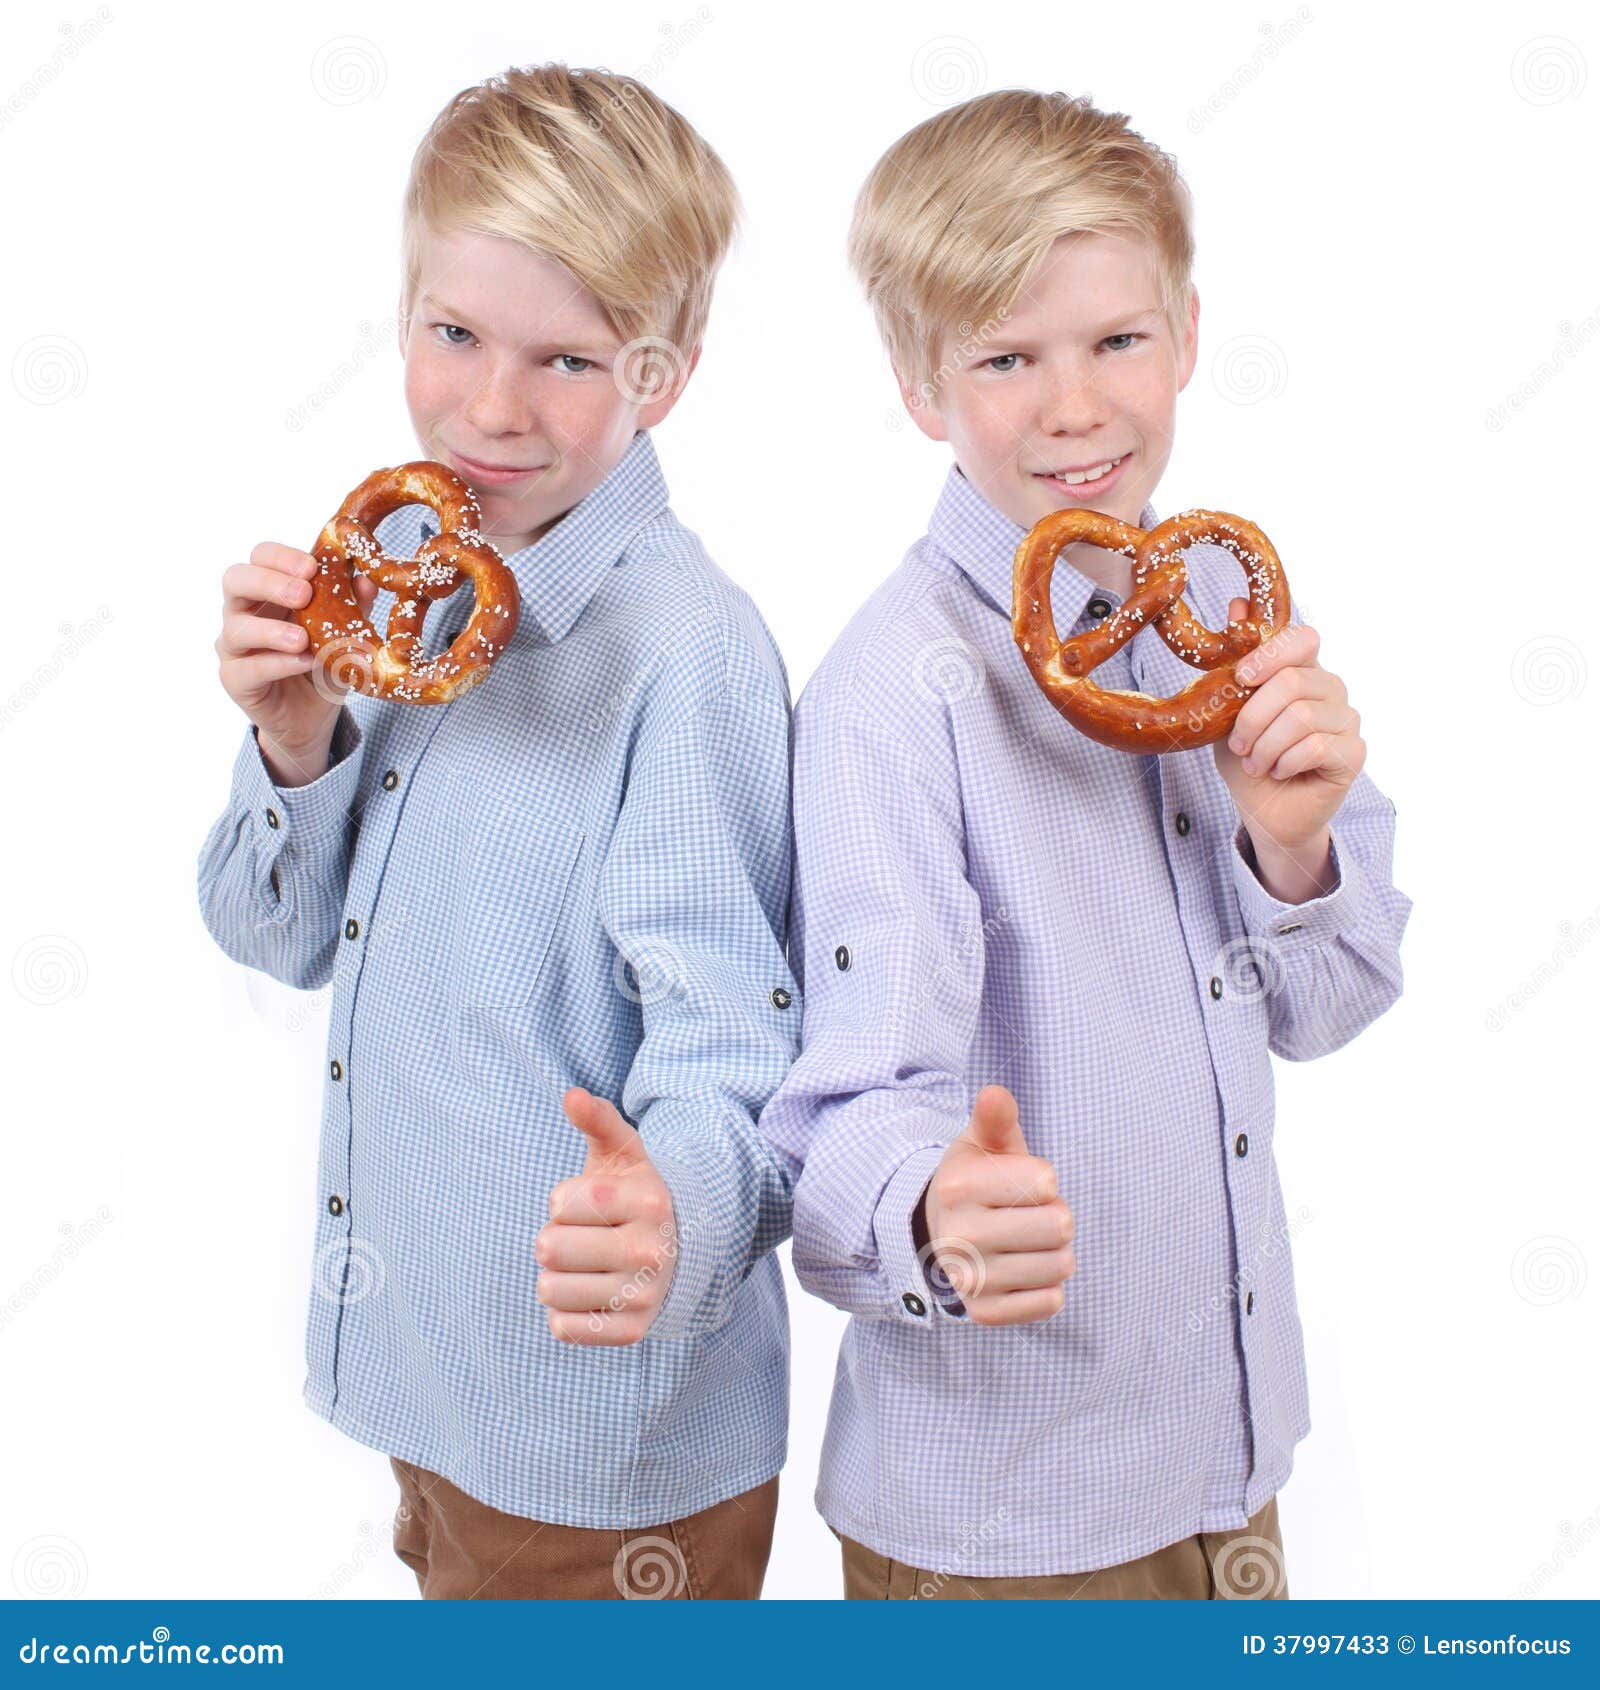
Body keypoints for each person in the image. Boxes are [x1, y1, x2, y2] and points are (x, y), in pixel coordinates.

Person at [758, 87, 1413, 1600]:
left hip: (1225, 1464)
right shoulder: (889, 701)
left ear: (1187, 333)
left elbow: (1333, 1002)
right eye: (1005, 358)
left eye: (1117, 340)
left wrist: (1292, 853)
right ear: (923, 386)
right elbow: (839, 1110)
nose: (1074, 407)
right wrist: (929, 1204)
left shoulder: (1223, 637)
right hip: (1006, 1530)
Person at [197, 64, 796, 1600]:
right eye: (453, 333)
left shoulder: (687, 653)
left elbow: (737, 1043)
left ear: (665, 373)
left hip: (598, 1454)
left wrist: (676, 1206)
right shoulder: (412, 582)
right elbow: (275, 938)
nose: (490, 407)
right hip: (429, 1392)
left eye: (568, 358)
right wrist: (294, 736)